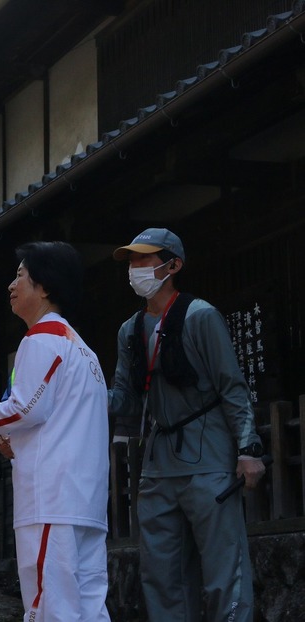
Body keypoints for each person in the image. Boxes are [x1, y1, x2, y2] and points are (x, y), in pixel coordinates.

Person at [107, 228, 266, 621]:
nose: (135, 268)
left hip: (208, 455)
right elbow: (123, 397)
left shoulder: (201, 316)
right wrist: (78, 390)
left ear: (172, 265)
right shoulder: (129, 330)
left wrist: (248, 450)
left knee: (223, 568)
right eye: (131, 261)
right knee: (161, 573)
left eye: (144, 259)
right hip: (159, 463)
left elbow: (232, 386)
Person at [0, 241, 110, 621]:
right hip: (84, 501)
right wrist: (17, 441)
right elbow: (55, 419)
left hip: (52, 500)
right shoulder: (84, 351)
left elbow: (27, 407)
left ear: (44, 286)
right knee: (89, 605)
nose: (11, 285)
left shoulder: (42, 340)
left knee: (50, 606)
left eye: (19, 275)